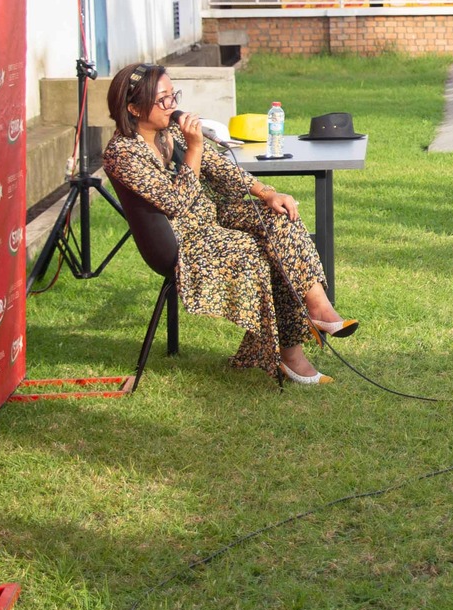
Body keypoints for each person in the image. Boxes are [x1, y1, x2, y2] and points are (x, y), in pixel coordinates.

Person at [101, 64, 358, 386]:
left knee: (279, 220)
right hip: (178, 241)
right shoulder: (122, 153)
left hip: (211, 215)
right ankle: (290, 355)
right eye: (162, 99)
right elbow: (176, 204)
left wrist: (267, 193)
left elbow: (220, 167)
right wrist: (195, 148)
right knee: (262, 250)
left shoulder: (172, 133)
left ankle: (318, 306)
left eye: (173, 96)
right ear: (134, 108)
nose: (172, 105)